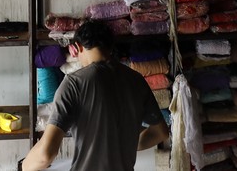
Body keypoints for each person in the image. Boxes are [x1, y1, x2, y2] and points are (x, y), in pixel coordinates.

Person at [22, 20, 170, 171]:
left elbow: (46, 155)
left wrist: (23, 166)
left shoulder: (74, 83)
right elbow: (161, 132)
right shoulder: (136, 80)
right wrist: (125, 145)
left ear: (78, 47)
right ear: (110, 47)